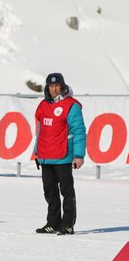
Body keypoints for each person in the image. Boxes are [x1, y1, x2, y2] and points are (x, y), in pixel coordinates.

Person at [34, 72, 86, 235]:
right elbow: (40, 130)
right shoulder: (43, 105)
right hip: (45, 156)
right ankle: (53, 223)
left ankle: (68, 224)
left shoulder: (71, 105)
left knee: (67, 191)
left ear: (62, 87)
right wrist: (36, 152)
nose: (54, 89)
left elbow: (78, 131)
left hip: (63, 156)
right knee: (49, 191)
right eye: (51, 86)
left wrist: (79, 155)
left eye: (57, 86)